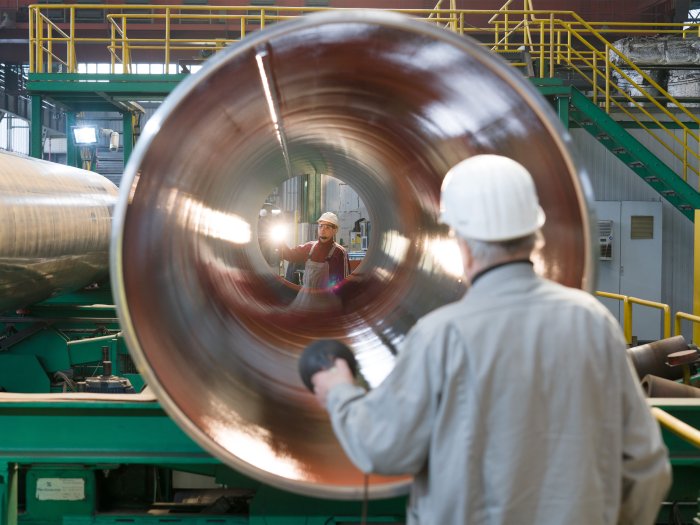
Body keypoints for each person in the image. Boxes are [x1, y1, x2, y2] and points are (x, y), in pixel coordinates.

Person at [308, 155, 671, 525]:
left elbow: (383, 448)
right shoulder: (592, 322)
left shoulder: (441, 336)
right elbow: (647, 466)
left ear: (462, 243)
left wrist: (338, 390)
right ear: (535, 236)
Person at [280, 212, 350, 311]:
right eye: (320, 226)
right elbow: (289, 255)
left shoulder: (339, 252)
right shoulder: (309, 247)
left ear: (335, 230)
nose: (323, 230)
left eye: (327, 227)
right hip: (305, 299)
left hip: (327, 301)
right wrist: (280, 243)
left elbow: (345, 283)